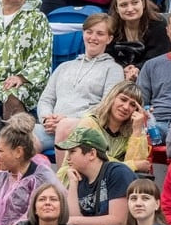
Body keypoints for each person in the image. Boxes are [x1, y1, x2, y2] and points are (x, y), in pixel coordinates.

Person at [35, 13, 124, 153]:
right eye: (89, 32)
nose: (93, 37)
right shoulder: (64, 67)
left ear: (109, 39)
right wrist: (47, 119)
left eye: (100, 34)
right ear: (83, 34)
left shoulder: (113, 69)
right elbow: (46, 99)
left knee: (64, 128)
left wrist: (67, 121)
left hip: (85, 129)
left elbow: (106, 106)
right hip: (51, 127)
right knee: (15, 135)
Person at [58, 126, 137, 225]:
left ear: (92, 154)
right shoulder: (81, 178)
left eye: (72, 151)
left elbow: (118, 220)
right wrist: (73, 184)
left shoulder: (117, 172)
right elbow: (75, 219)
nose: (67, 157)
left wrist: (74, 221)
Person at [69, 81, 150, 175]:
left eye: (133, 105)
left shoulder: (133, 131)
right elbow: (91, 164)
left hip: (111, 180)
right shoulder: (90, 123)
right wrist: (132, 165)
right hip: (77, 178)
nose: (126, 107)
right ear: (112, 98)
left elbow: (136, 171)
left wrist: (137, 131)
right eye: (123, 99)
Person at [108, 0, 169, 82]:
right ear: (116, 8)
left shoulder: (158, 24)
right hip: (118, 76)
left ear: (143, 3)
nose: (130, 9)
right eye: (123, 5)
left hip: (153, 76)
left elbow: (159, 56)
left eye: (135, 3)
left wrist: (137, 69)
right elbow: (108, 55)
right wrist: (121, 69)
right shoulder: (111, 26)